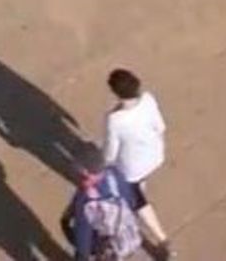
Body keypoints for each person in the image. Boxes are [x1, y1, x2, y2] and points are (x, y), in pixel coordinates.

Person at [102, 70, 171, 258]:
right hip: (155, 154)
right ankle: (139, 188)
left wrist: (106, 165)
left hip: (132, 168)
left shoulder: (115, 120)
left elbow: (111, 151)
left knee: (137, 200)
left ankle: (162, 240)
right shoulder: (149, 100)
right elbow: (161, 127)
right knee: (140, 182)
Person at [66, 161, 143, 259]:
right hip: (127, 236)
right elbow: (130, 200)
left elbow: (83, 236)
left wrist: (82, 256)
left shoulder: (86, 201)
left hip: (104, 242)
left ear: (88, 175)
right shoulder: (115, 173)